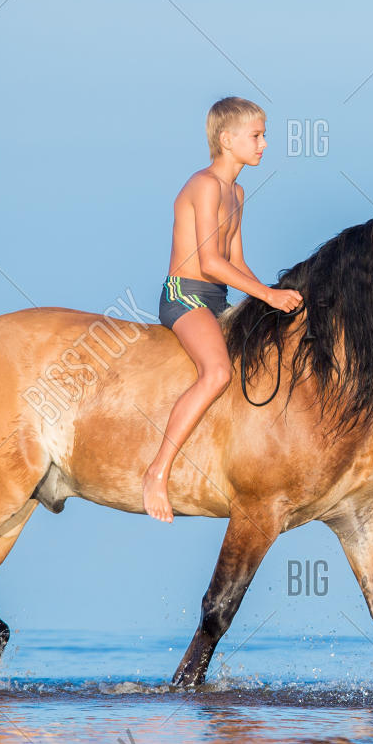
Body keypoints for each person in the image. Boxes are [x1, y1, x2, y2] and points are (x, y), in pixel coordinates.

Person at [144, 96, 303, 523]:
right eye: (256, 136)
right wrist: (267, 296)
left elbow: (236, 261)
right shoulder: (206, 184)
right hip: (186, 297)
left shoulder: (237, 191)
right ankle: (156, 473)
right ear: (226, 138)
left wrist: (270, 295)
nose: (264, 144)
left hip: (217, 300)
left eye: (263, 135)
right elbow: (211, 261)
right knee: (217, 372)